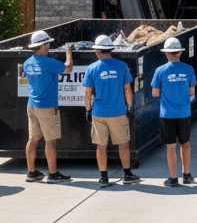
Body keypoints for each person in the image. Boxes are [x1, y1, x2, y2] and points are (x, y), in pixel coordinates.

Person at [83, 34, 141, 186]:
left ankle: (103, 177)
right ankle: (127, 174)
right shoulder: (122, 66)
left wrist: (88, 110)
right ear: (110, 49)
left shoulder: (92, 68)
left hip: (99, 113)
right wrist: (130, 107)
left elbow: (87, 93)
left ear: (98, 51)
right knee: (123, 144)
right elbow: (127, 89)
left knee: (100, 146)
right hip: (118, 112)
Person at [22, 29, 74, 183]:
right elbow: (68, 68)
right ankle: (53, 174)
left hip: (32, 105)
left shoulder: (27, 63)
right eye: (48, 44)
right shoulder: (49, 63)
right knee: (51, 141)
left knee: (33, 139)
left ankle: (31, 172)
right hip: (47, 107)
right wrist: (69, 53)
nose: (49, 46)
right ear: (43, 45)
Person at [150, 37, 197, 187]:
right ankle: (186, 174)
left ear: (166, 53)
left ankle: (172, 178)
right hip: (184, 113)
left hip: (167, 114)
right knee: (185, 143)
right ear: (180, 53)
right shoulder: (188, 69)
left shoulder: (160, 71)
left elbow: (155, 93)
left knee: (170, 146)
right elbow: (192, 91)